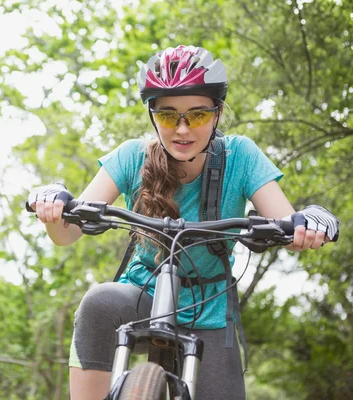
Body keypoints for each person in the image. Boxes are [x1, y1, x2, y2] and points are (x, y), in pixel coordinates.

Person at [26, 45, 339, 400]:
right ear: (153, 116)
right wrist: (55, 206)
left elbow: (286, 222)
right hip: (142, 294)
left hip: (211, 309)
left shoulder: (241, 156)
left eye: (198, 115)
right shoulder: (132, 157)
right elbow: (68, 232)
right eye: (169, 116)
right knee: (99, 302)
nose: (183, 129)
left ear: (217, 114)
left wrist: (308, 224)